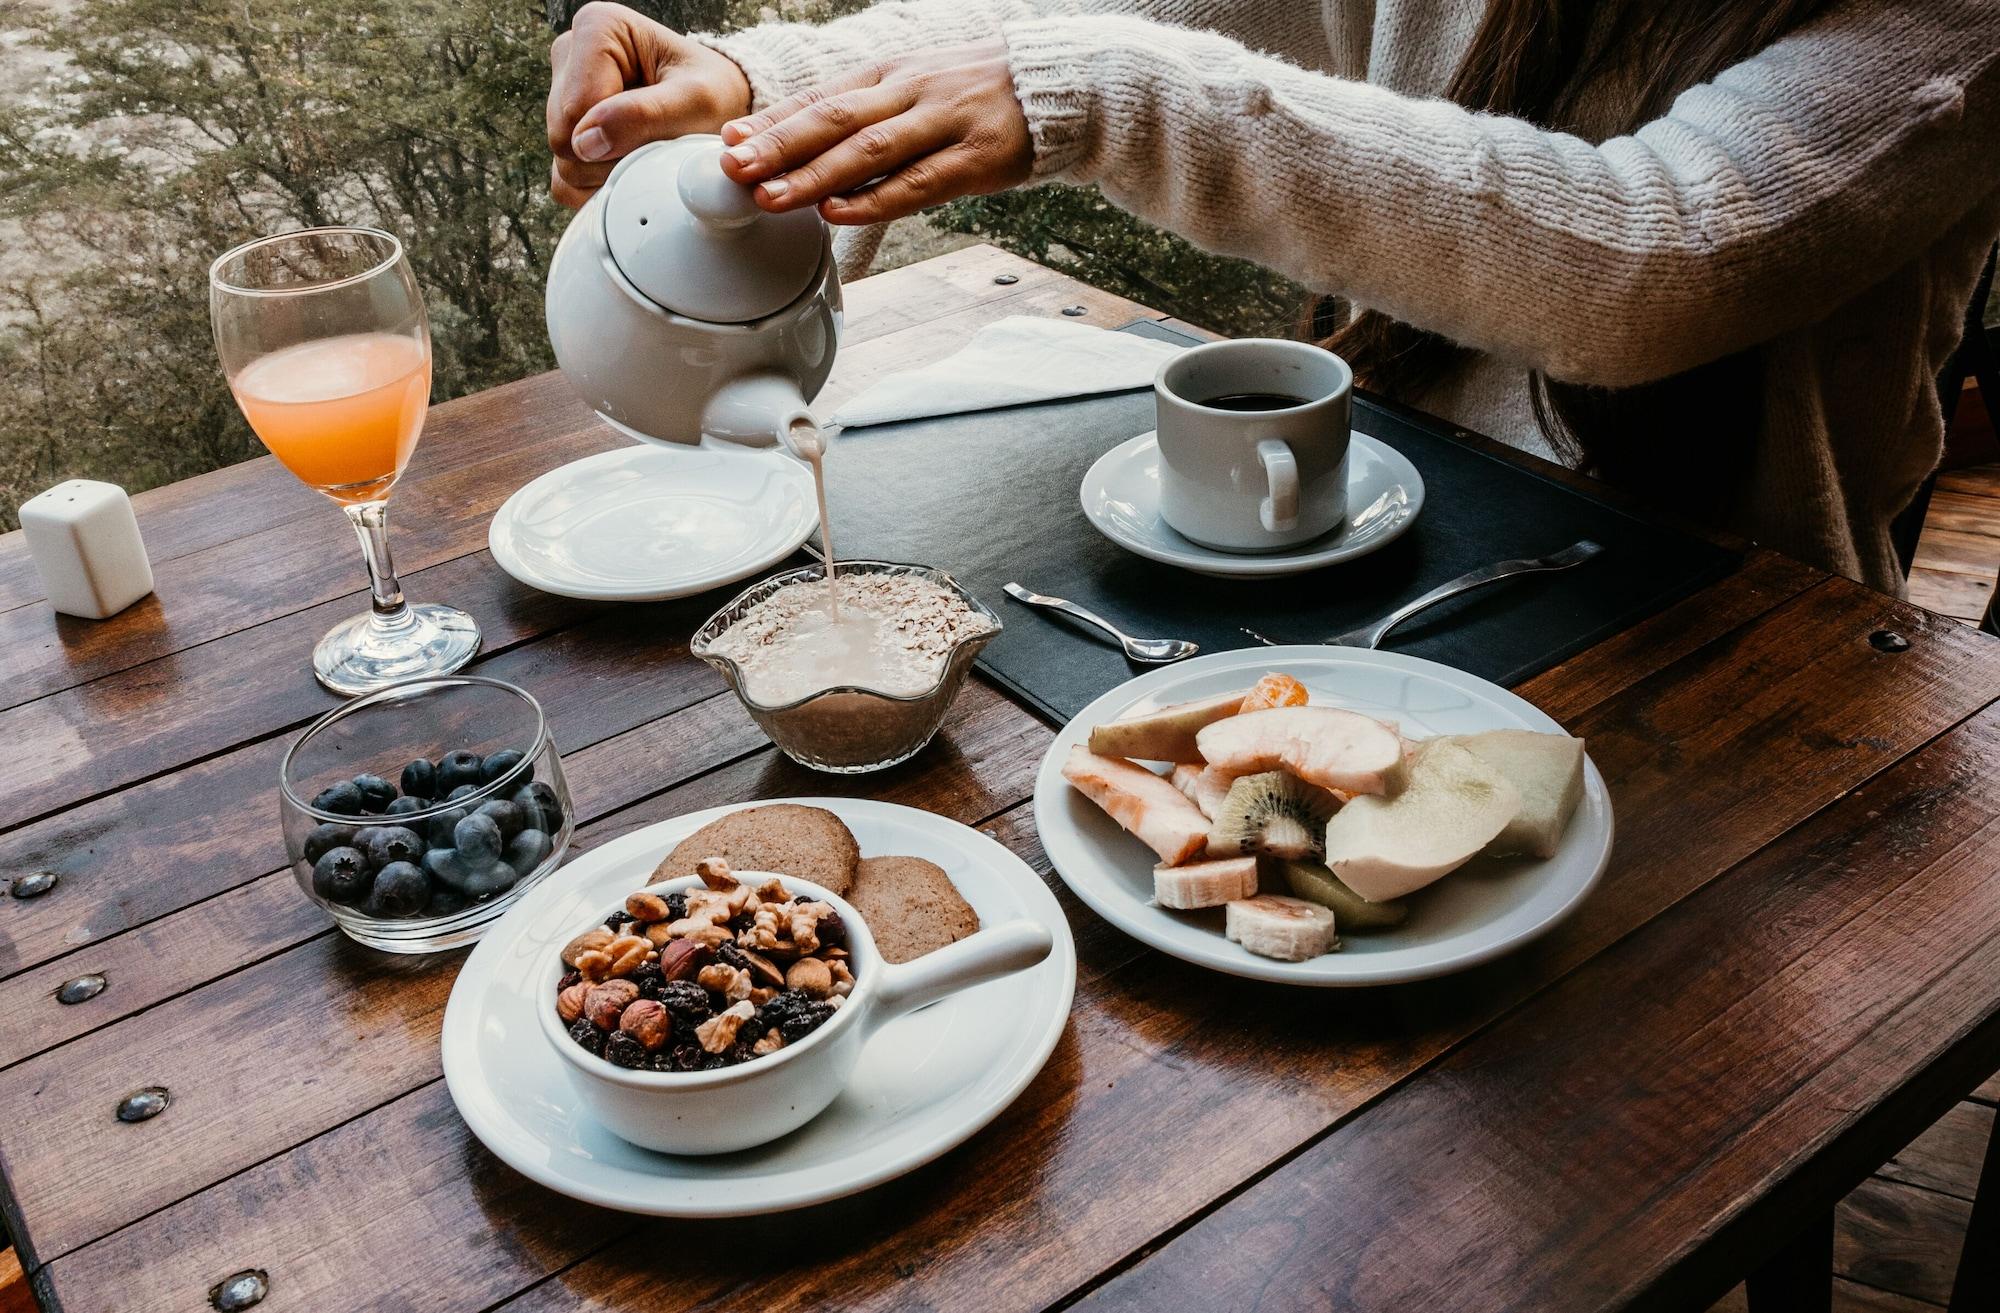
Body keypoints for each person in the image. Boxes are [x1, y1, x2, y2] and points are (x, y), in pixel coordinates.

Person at [546, 0, 2000, 593]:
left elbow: (1645, 257)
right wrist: (764, 88)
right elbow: (1134, 9)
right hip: (1371, 525)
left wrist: (1106, 101)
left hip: (1736, 636)